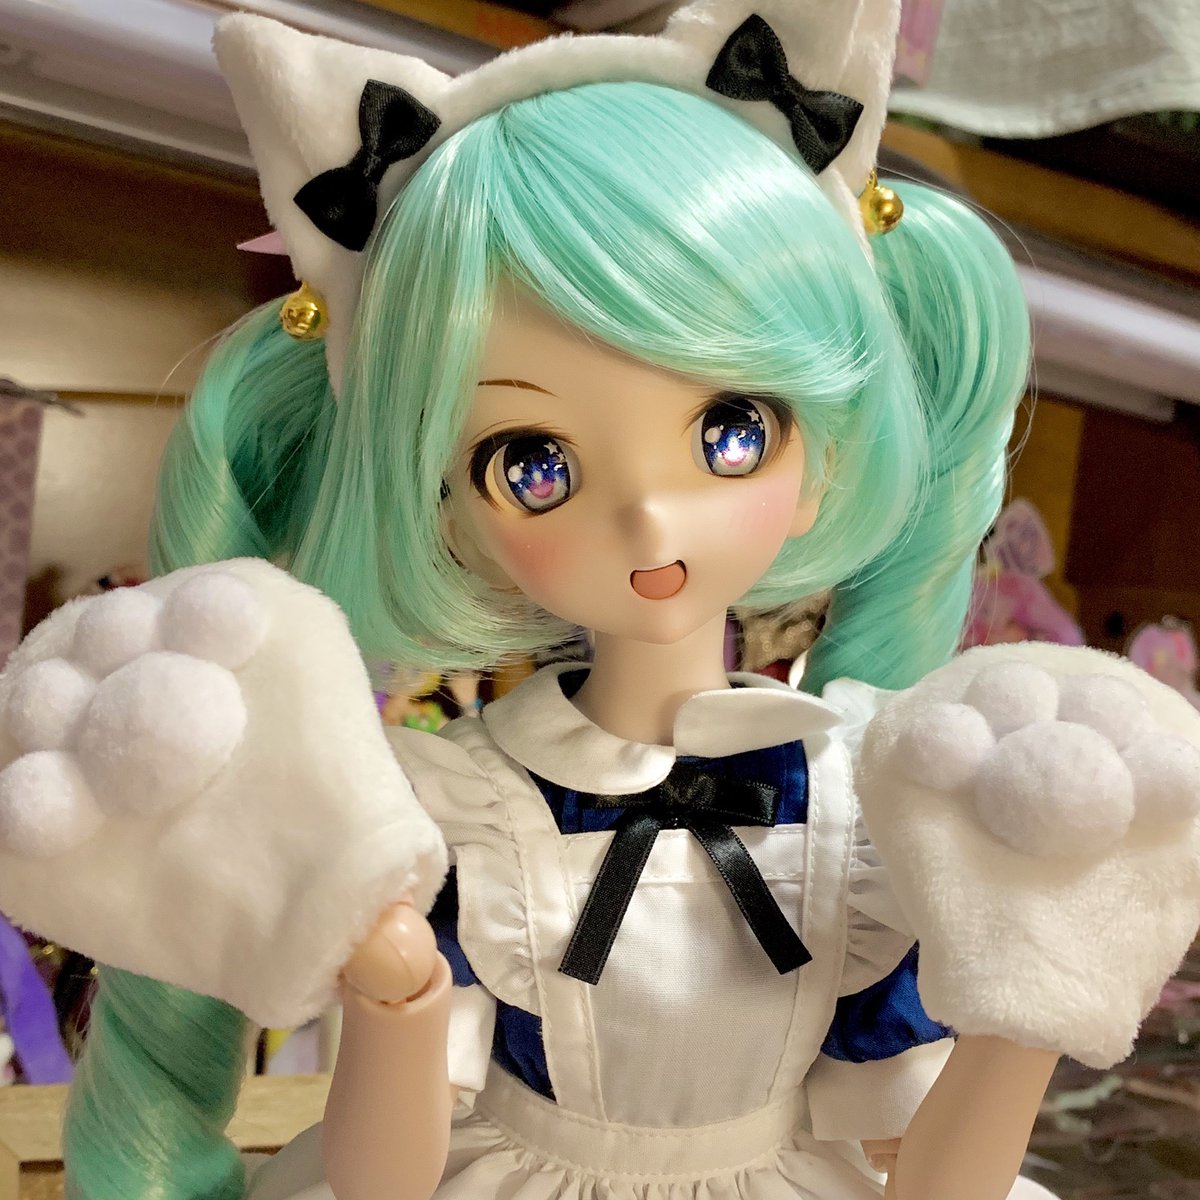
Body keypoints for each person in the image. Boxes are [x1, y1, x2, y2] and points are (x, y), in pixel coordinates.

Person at [26, 4, 1195, 1200]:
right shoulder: (451, 811)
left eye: (731, 431)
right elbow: (385, 1183)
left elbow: (934, 1183)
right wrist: (400, 995)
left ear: (824, 459)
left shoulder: (863, 804)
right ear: (446, 512)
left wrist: (1023, 1017)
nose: (648, 520)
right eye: (535, 466)